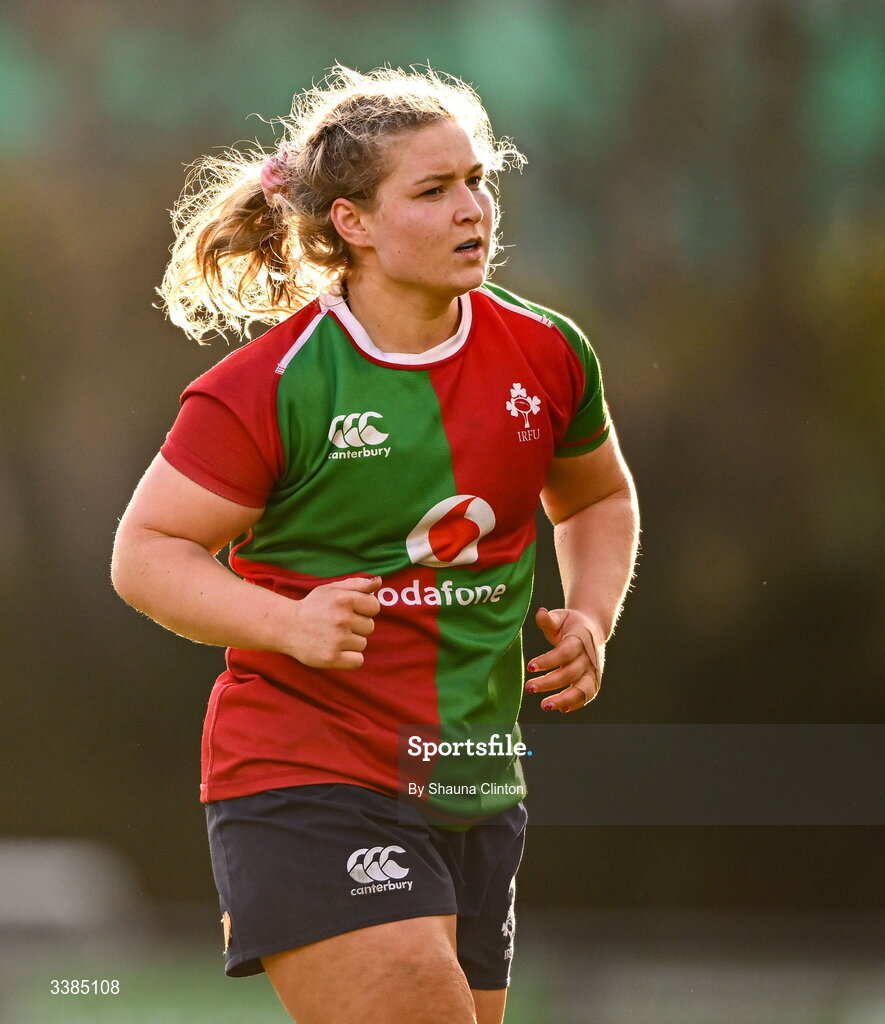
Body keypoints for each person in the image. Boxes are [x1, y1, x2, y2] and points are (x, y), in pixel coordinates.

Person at [111, 65, 639, 1024]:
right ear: (351, 221)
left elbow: (596, 495)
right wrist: (291, 622)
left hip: (478, 777)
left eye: (477, 181)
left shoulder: (547, 351)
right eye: (433, 192)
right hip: (311, 773)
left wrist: (593, 616)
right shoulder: (271, 385)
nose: (472, 209)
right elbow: (146, 552)